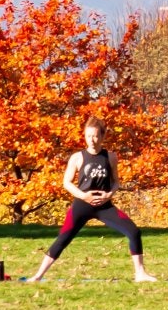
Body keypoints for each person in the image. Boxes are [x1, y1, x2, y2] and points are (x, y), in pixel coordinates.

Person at [26, 117, 157, 283]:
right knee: (63, 238)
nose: (92, 140)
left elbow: (116, 182)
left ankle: (140, 273)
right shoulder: (77, 157)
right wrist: (83, 196)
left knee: (134, 232)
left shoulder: (110, 157)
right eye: (88, 136)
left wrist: (109, 195)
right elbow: (66, 182)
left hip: (104, 206)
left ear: (102, 136)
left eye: (95, 136)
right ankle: (38, 276)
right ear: (84, 136)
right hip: (82, 205)